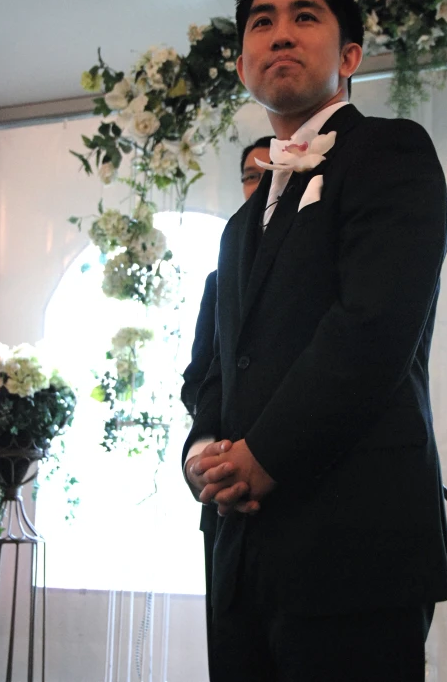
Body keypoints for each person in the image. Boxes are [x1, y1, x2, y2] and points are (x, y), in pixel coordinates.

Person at [182, 0, 447, 682]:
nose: (281, 33)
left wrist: (261, 457)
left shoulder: (392, 154)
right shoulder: (240, 227)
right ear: (242, 65)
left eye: (305, 16)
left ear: (352, 53)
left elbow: (372, 329)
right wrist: (203, 450)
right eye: (262, 22)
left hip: (353, 547)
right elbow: (215, 364)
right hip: (239, 555)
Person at [180, 136, 272, 680]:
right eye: (249, 176)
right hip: (225, 516)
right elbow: (200, 379)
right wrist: (203, 453)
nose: (258, 186)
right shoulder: (221, 275)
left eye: (270, 173)